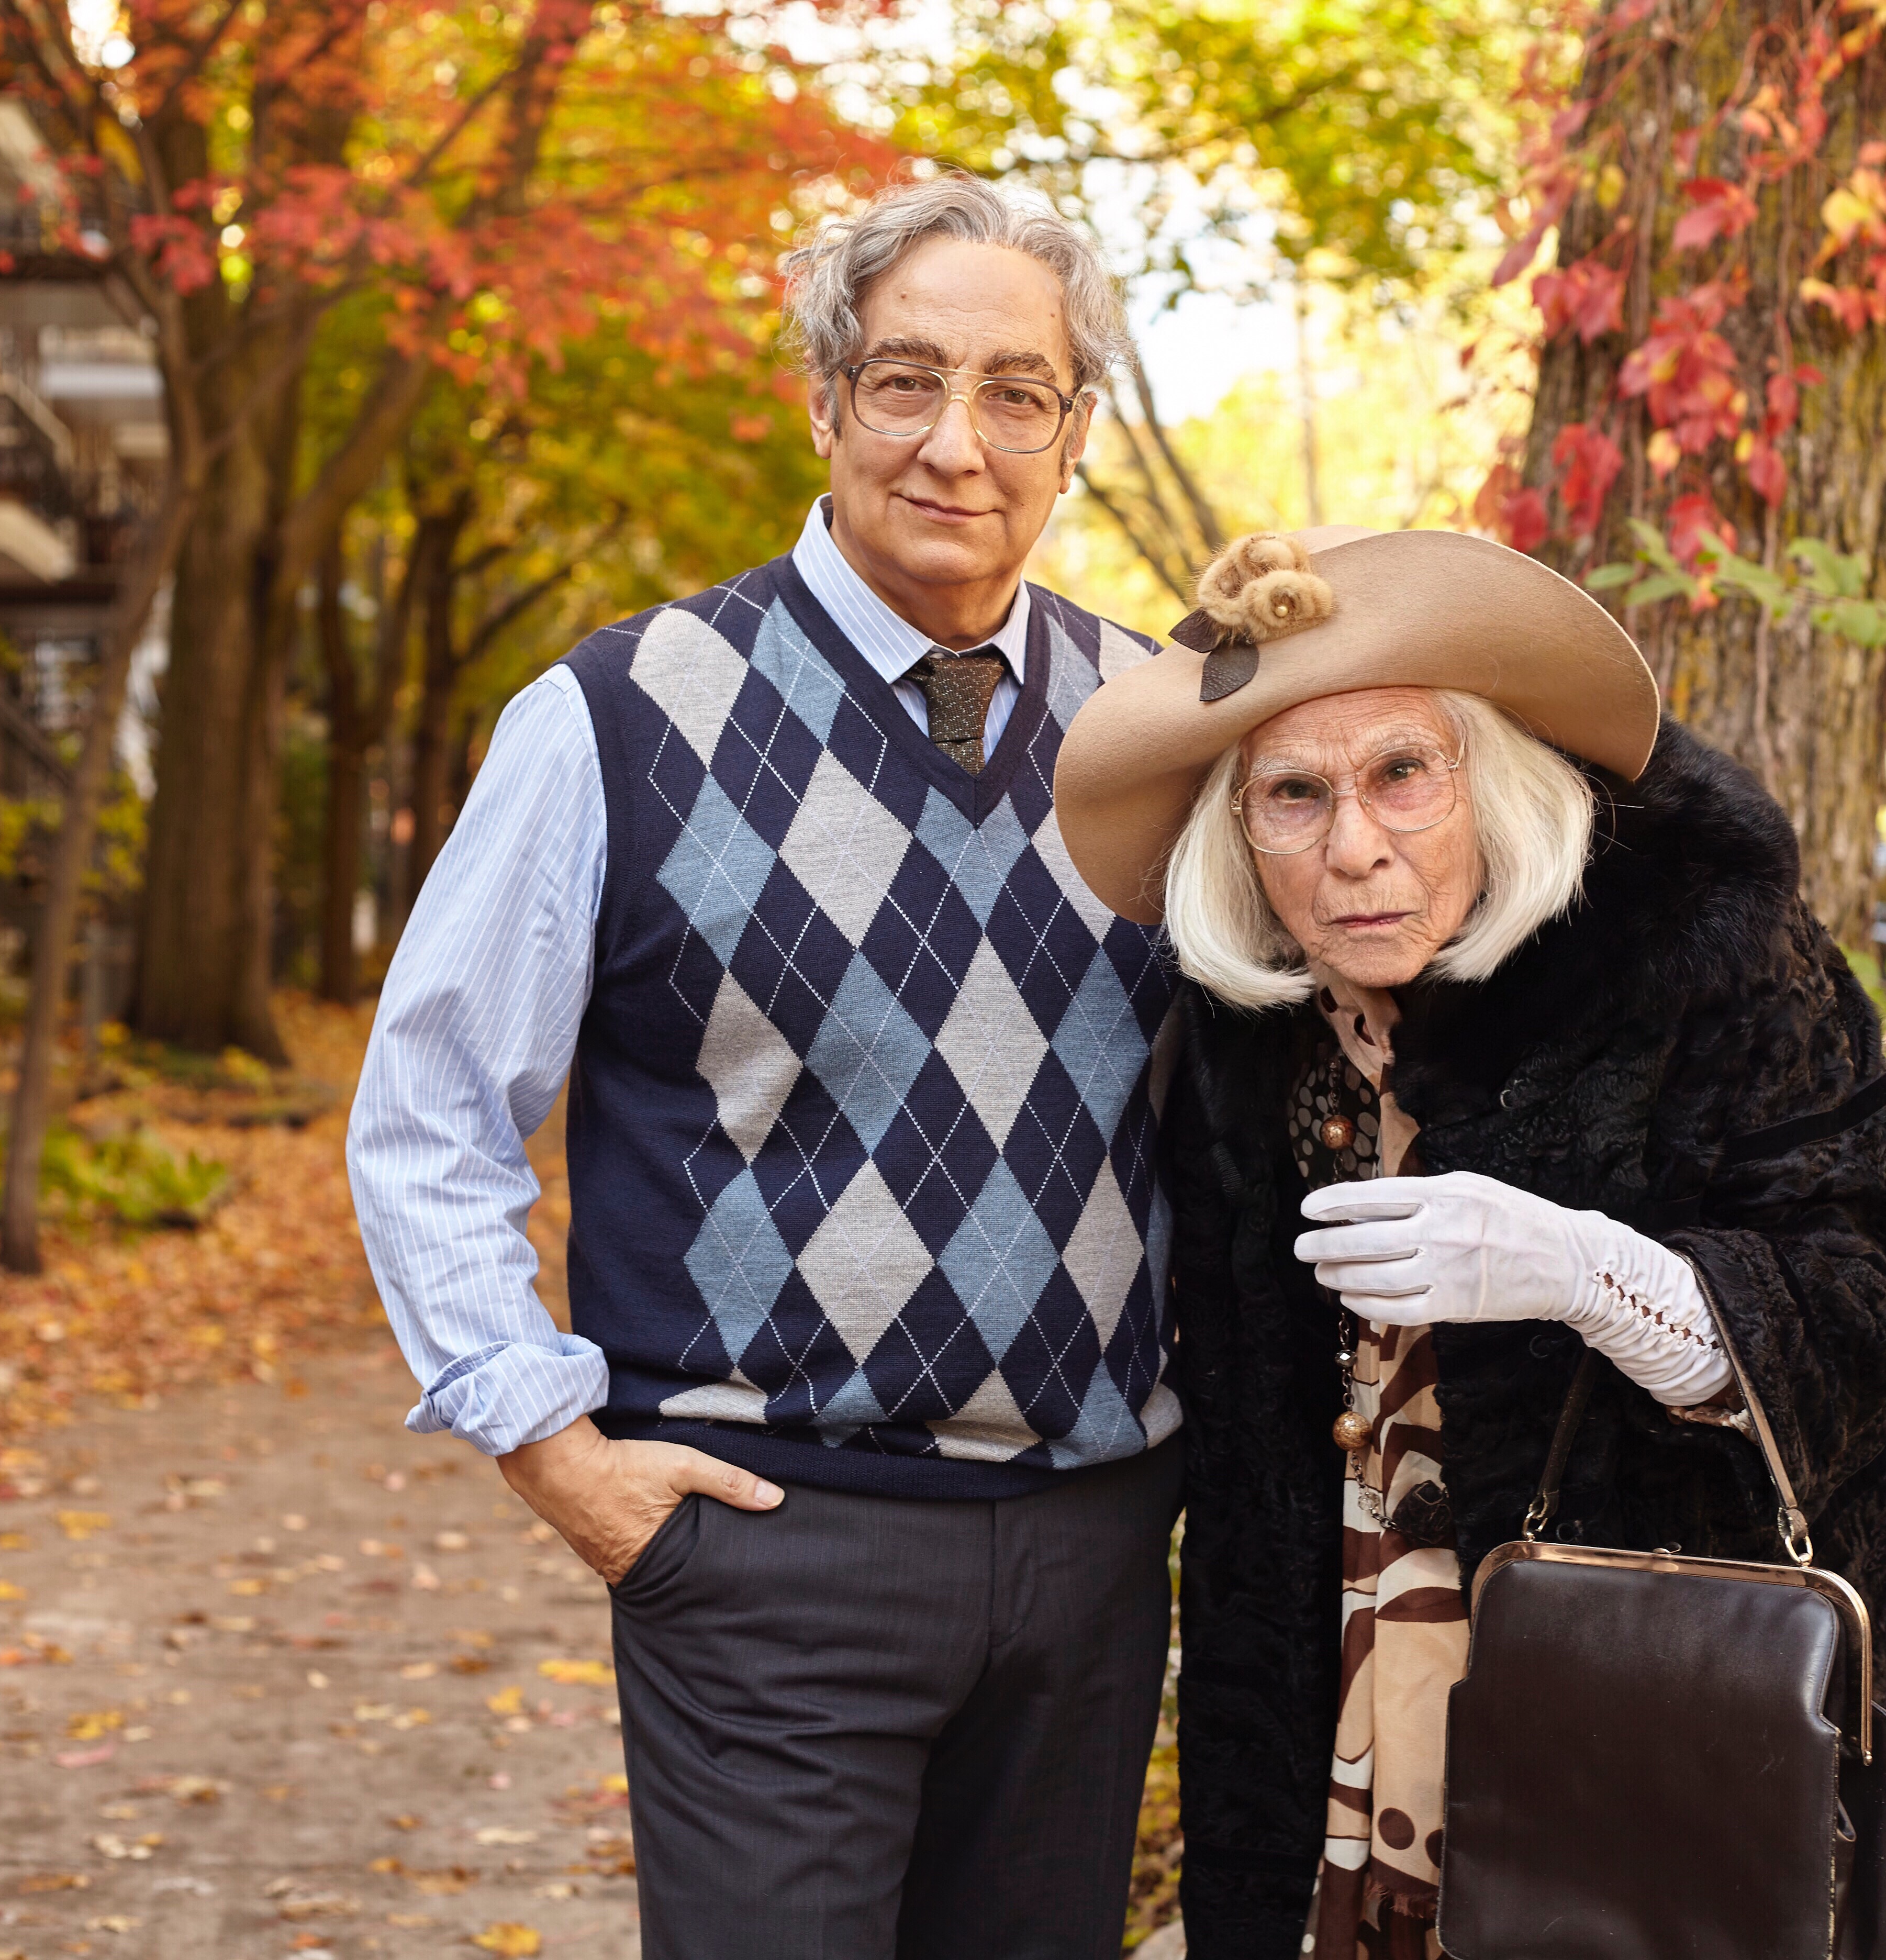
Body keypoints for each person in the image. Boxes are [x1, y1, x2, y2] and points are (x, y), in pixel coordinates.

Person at [347, 175, 1183, 1960]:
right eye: (904, 382)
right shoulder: (617, 712)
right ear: (823, 403)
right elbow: (429, 1110)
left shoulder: (1162, 729)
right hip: (769, 1551)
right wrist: (553, 1449)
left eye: (1015, 394)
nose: (956, 443)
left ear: (1075, 435)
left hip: (1089, 1563)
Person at [1051, 528, 1886, 1959]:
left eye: (1401, 772)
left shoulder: (1696, 949)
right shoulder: (1240, 1031)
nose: (1355, 848)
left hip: (1684, 1715)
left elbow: (1857, 1302)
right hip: (1348, 1705)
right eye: (1295, 797)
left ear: (1487, 775)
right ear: (1236, 835)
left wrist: (1590, 1273)